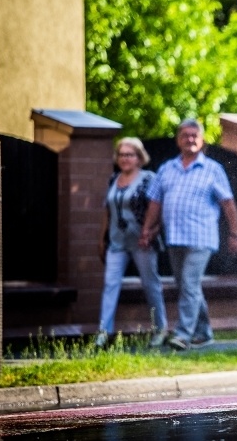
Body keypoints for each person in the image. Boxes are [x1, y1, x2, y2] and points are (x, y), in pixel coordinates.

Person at [140, 118, 237, 351]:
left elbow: (228, 203)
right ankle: (204, 333)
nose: (190, 139)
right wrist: (147, 229)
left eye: (194, 135)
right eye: (185, 135)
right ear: (178, 140)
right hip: (174, 236)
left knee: (189, 283)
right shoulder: (167, 168)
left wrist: (235, 233)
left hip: (201, 238)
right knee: (188, 286)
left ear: (202, 140)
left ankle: (183, 334)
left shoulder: (212, 169)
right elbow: (155, 201)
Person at [97, 137, 168, 348]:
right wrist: (102, 238)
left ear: (139, 157)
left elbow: (159, 208)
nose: (125, 159)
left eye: (129, 155)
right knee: (110, 285)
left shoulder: (148, 178)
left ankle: (160, 329)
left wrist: (153, 231)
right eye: (121, 155)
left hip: (142, 242)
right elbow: (107, 211)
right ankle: (104, 333)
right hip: (117, 242)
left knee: (150, 284)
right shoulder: (113, 179)